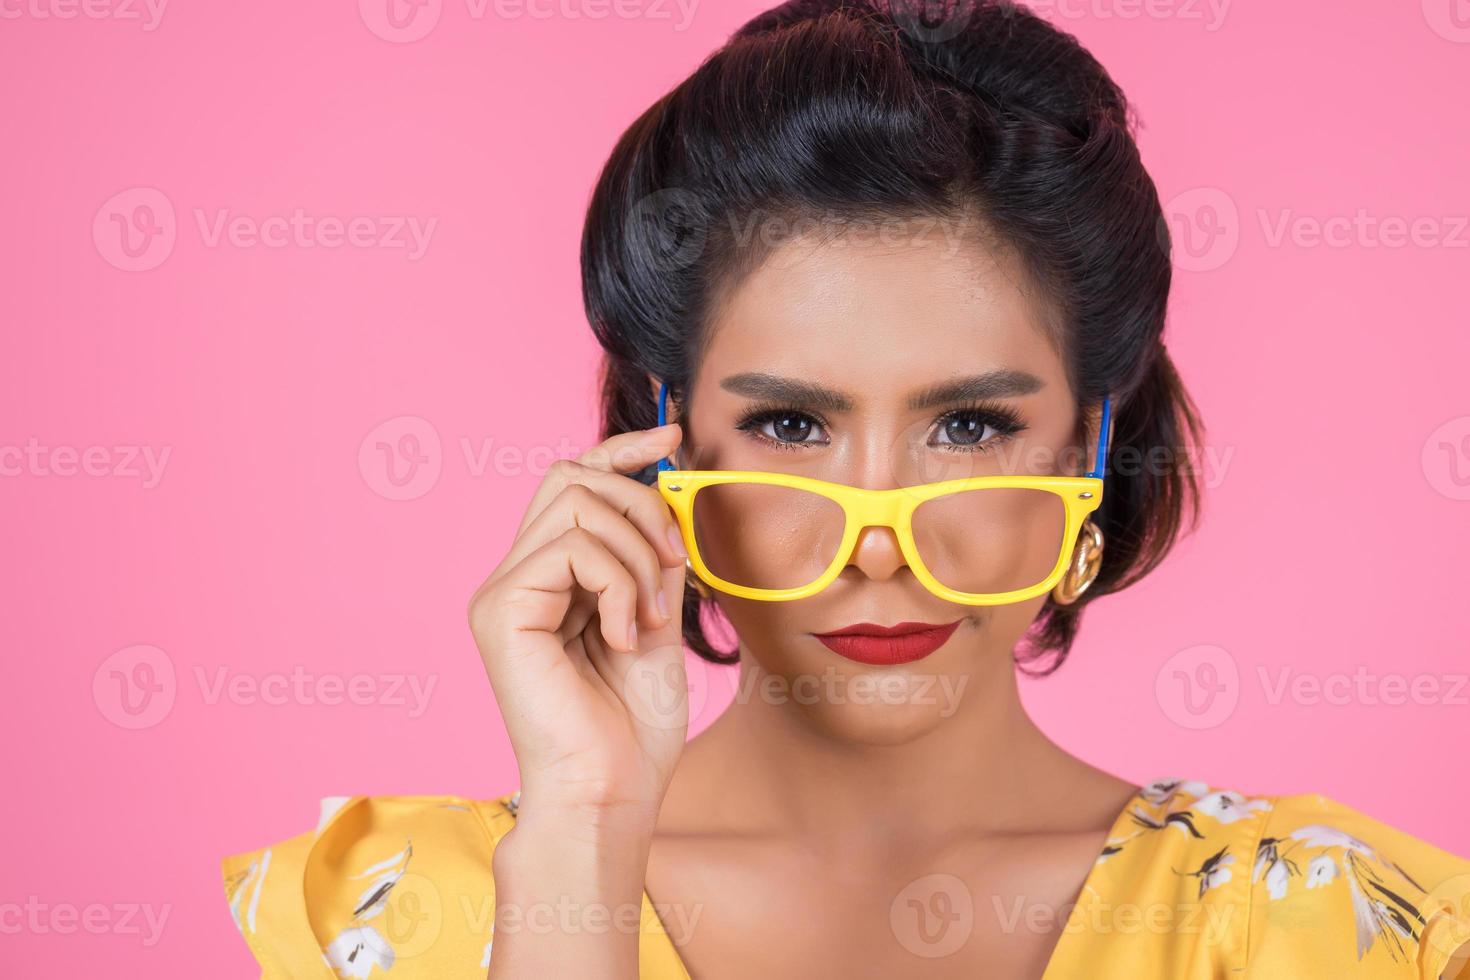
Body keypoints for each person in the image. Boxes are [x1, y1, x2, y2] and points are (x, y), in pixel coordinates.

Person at [221, 1, 1470, 976]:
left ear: (1091, 447)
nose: (880, 543)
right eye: (790, 422)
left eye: (970, 422)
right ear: (665, 441)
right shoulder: (394, 917)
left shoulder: (1330, 924)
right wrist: (582, 833)